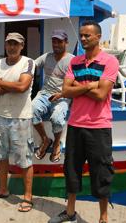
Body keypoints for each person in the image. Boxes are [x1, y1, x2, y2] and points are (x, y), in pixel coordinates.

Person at [50, 20, 119, 223]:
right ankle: (70, 213)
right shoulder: (75, 62)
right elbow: (66, 91)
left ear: (98, 37)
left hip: (99, 126)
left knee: (102, 172)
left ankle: (103, 217)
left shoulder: (110, 61)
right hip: (76, 124)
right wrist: (92, 84)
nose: (83, 38)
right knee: (72, 169)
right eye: (81, 35)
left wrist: (79, 87)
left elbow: (101, 95)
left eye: (87, 35)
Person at [0, 32, 36, 213]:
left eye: (15, 44)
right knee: (2, 155)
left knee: (25, 159)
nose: (12, 47)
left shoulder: (29, 62)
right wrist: (11, 86)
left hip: (21, 117)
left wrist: (1, 82)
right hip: (0, 115)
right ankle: (3, 189)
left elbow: (23, 87)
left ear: (22, 45)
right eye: (9, 44)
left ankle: (28, 197)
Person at [32, 29, 74, 163]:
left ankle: (56, 143)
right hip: (45, 94)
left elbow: (78, 82)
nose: (56, 44)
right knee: (31, 110)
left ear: (66, 42)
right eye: (54, 41)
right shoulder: (46, 57)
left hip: (63, 96)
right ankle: (45, 139)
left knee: (56, 118)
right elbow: (31, 65)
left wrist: (63, 94)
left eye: (59, 41)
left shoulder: (72, 60)